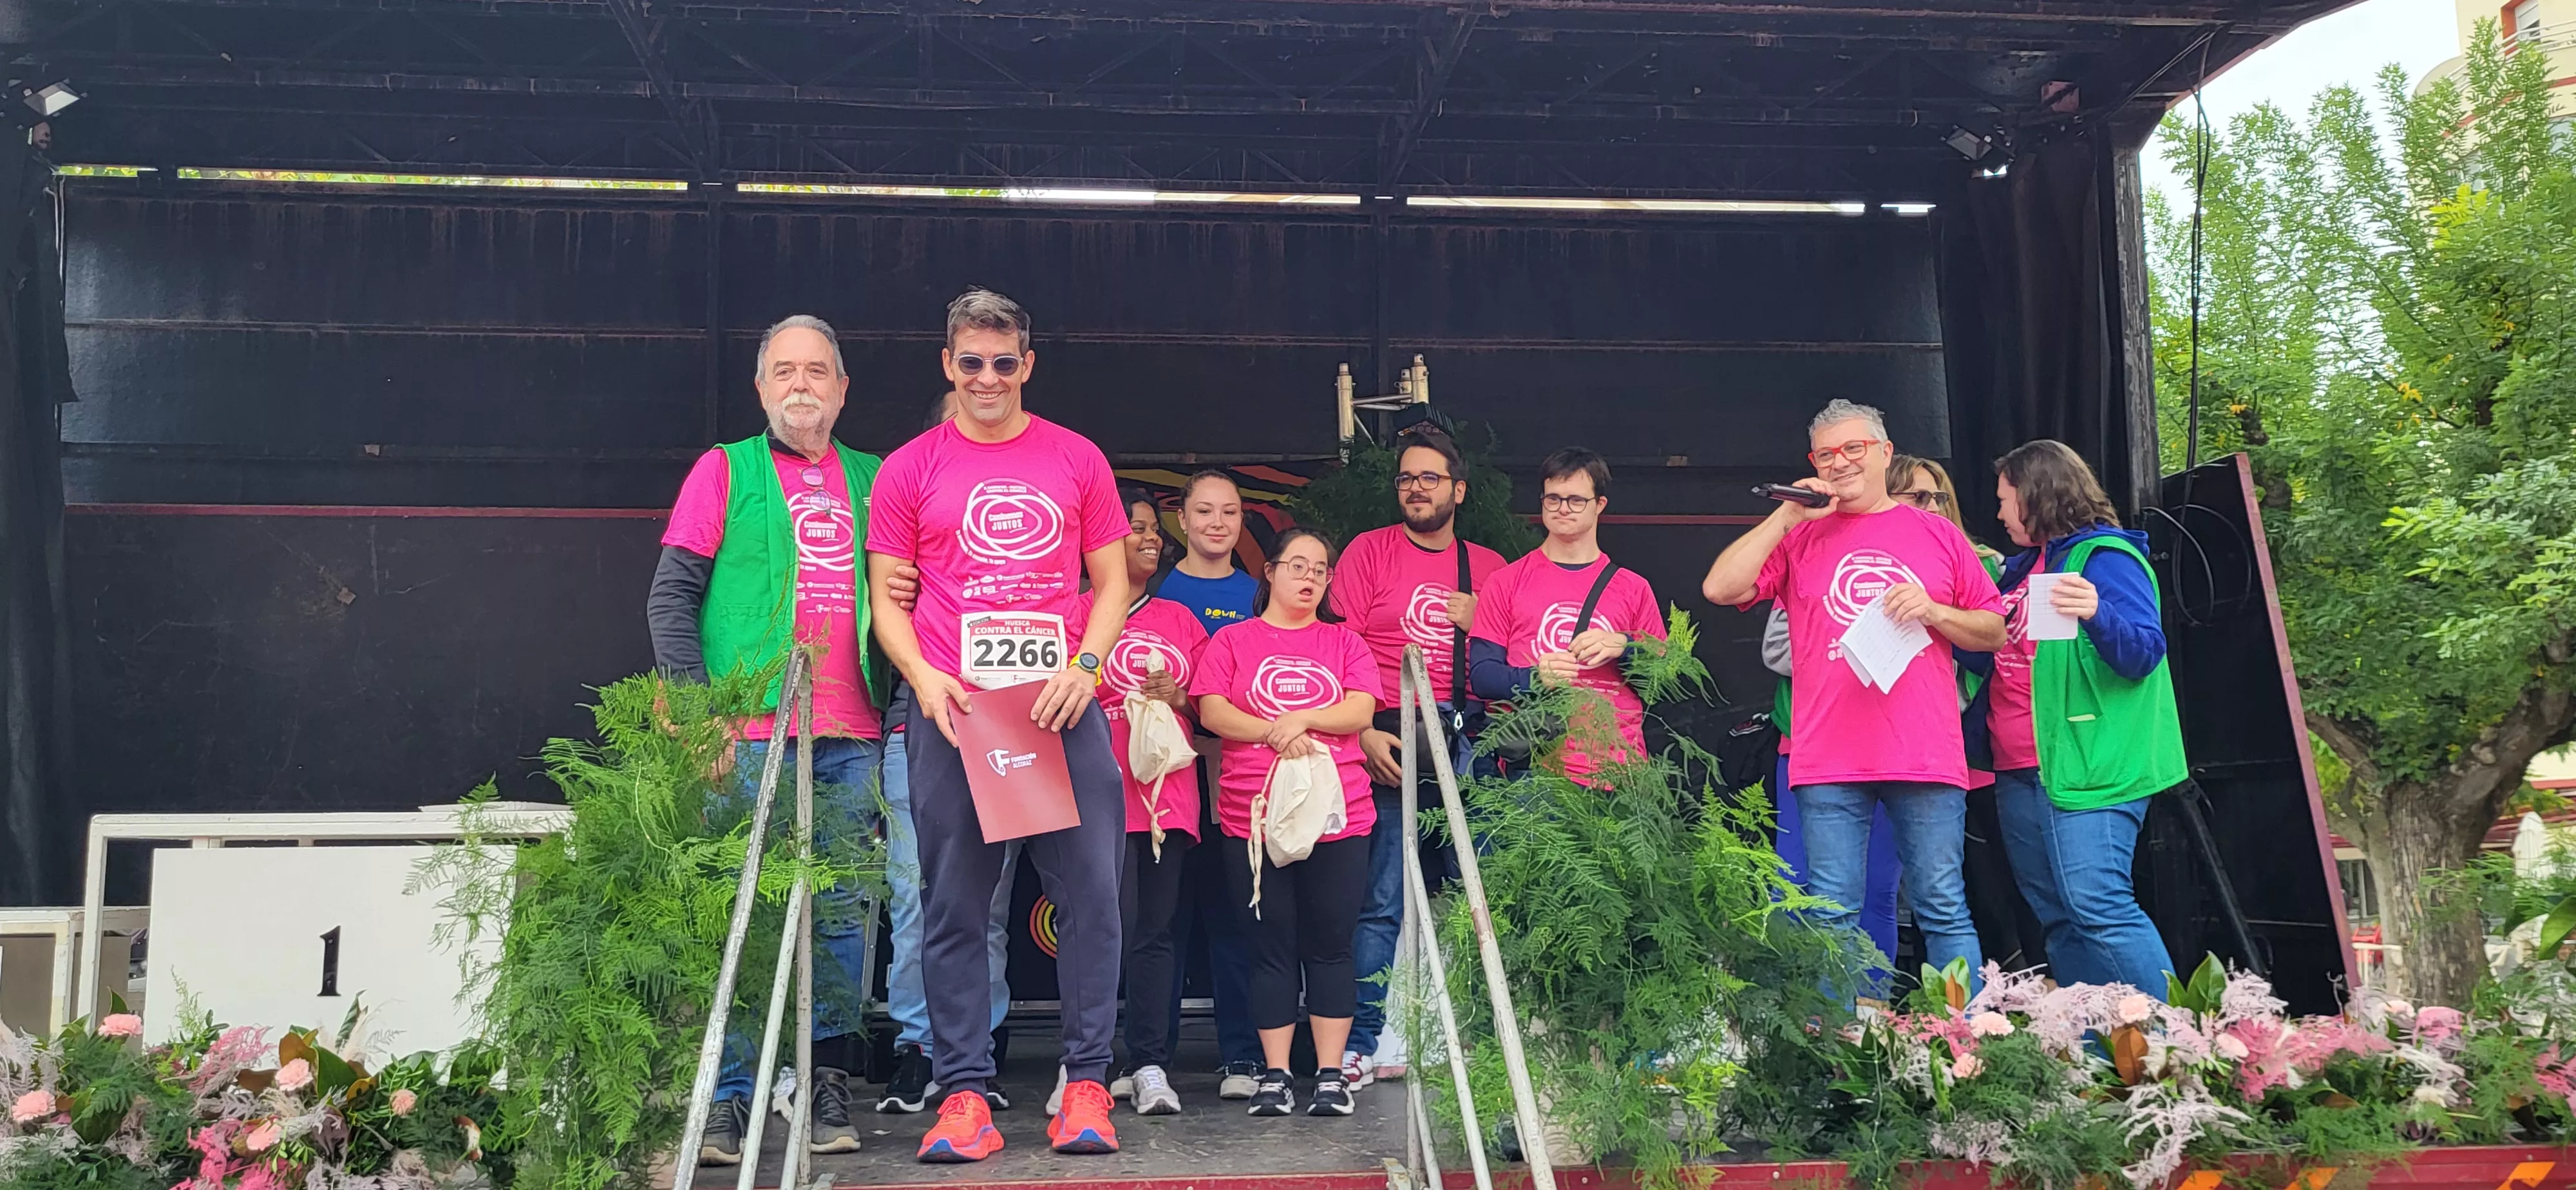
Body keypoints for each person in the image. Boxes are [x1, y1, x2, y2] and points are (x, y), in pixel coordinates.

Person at [867, 288, 1133, 1162]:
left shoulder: (1079, 458)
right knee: (951, 905)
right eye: (971, 362)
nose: (988, 377)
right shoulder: (909, 468)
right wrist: (925, 678)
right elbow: (886, 600)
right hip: (956, 712)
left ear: (1028, 364)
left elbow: (1113, 583)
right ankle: (964, 1097)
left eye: (1004, 362)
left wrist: (1086, 669)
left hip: (1060, 706)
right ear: (948, 363)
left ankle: (1088, 1085)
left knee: (1091, 895)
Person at [645, 314, 880, 1162]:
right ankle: (732, 1099)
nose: (800, 385)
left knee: (844, 916)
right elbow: (670, 598)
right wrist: (697, 710)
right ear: (759, 388)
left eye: (817, 370)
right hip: (746, 734)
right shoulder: (725, 470)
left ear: (844, 388)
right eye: (783, 371)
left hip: (852, 730)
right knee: (743, 910)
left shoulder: (875, 478)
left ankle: (823, 1087)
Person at [1700, 399, 2006, 995]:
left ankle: (1963, 1049)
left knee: (1942, 906)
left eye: (1853, 450)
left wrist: (1936, 611)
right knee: (1831, 911)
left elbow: (1993, 630)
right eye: (1825, 454)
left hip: (1924, 751)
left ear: (1885, 454)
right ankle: (1838, 1062)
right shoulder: (1801, 535)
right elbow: (1720, 587)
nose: (1839, 463)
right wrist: (1786, 517)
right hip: (1830, 757)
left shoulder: (1937, 532)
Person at [1971, 440, 2184, 992]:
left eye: (2004, 499)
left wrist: (2096, 612)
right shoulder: (2018, 571)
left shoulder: (2106, 558)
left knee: (2100, 906)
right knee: (2059, 919)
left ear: (2037, 495)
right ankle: (2096, 1054)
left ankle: (2177, 1053)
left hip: (2087, 766)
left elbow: (2143, 654)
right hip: (2018, 767)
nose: (1998, 513)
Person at [1329, 424, 1503, 1088]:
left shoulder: (1487, 568)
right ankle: (1363, 1041)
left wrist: (1481, 619)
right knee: (1380, 900)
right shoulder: (1368, 553)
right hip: (1386, 737)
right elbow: (1337, 647)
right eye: (1407, 478)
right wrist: (1362, 733)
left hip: (1466, 743)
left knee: (1474, 899)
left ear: (1458, 489)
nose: (1416, 488)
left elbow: (1514, 662)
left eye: (1430, 478)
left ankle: (1471, 1036)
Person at [1191, 527, 1385, 1119]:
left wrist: (1301, 717)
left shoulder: (1344, 641)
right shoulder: (1231, 641)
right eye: (1296, 565)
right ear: (1269, 573)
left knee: (1330, 947)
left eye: (1319, 569)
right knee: (1270, 948)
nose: (1308, 577)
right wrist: (1276, 731)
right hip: (1251, 818)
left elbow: (1361, 707)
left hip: (1339, 816)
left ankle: (1330, 1075)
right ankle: (1275, 1076)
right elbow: (1213, 710)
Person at [878, 392, 1023, 1117]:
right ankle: (917, 1048)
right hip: (924, 728)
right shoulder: (905, 509)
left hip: (1010, 726)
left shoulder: (1021, 527)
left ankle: (975, 1051)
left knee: (986, 906)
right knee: (917, 897)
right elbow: (866, 604)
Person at [1076, 486, 1209, 1116]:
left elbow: (1215, 708)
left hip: (1166, 804)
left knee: (1154, 936)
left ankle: (1149, 1063)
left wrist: (1180, 697)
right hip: (1090, 798)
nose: (1151, 538)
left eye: (1155, 528)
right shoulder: (1074, 613)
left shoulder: (1181, 619)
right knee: (1090, 934)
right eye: (1134, 527)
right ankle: (1084, 1067)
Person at [1150, 469, 1271, 1099]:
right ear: (1183, 520)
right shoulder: (1155, 591)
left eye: (1228, 512)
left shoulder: (1257, 595)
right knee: (1161, 921)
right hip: (1162, 783)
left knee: (1234, 920)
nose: (1217, 523)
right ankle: (1149, 1058)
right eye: (1204, 512)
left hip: (1235, 780)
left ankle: (1242, 1057)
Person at [1467, 448, 1666, 782]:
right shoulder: (1505, 581)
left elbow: (1663, 677)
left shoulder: (1633, 587)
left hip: (1618, 768)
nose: (1563, 509)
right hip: (1531, 766)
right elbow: (1483, 675)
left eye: (1576, 500)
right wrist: (1534, 678)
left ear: (1600, 505)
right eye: (1553, 499)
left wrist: (1624, 645)